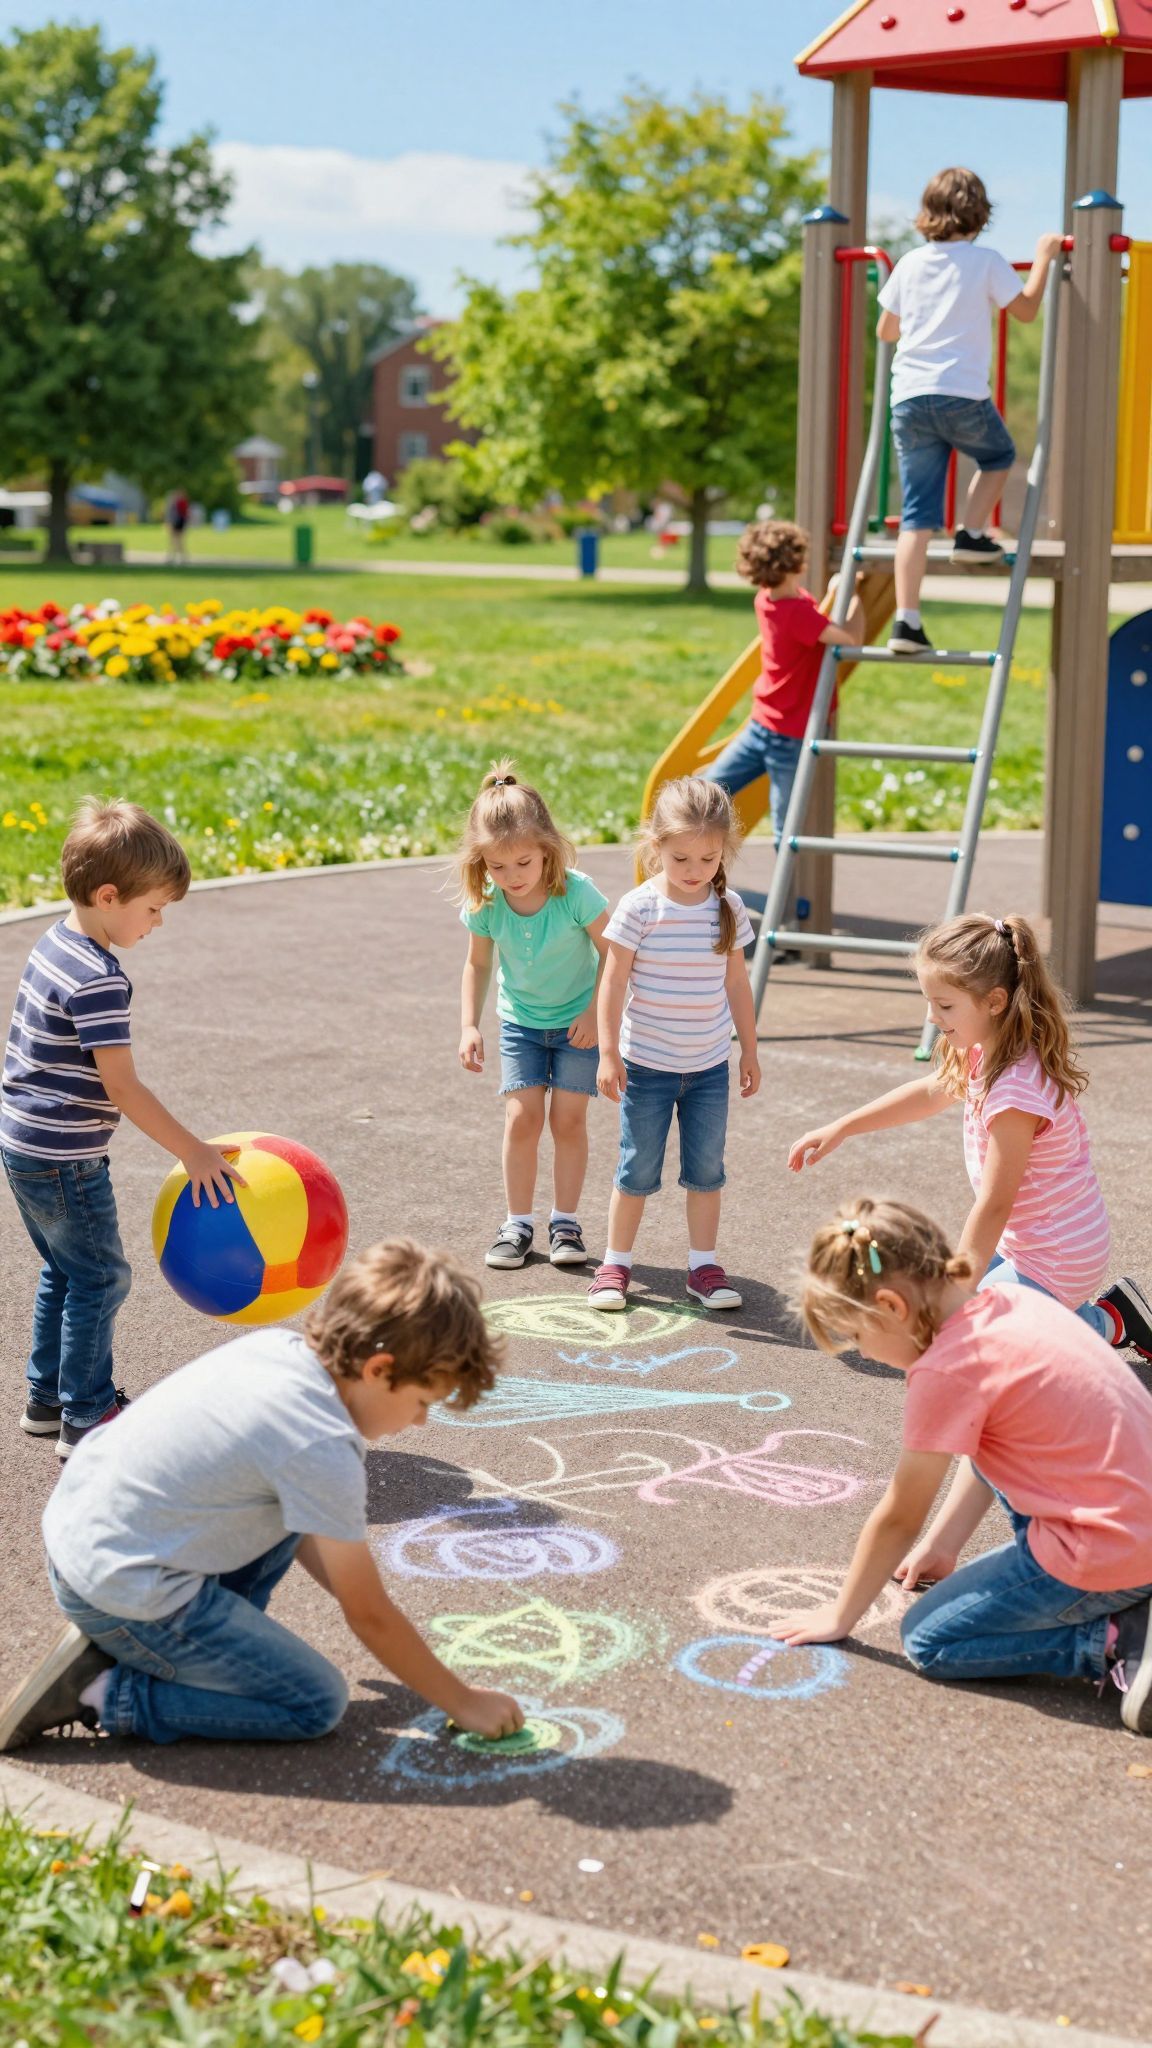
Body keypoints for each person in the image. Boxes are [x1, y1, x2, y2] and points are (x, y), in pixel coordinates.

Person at [0, 1239, 525, 1751]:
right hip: (121, 1586)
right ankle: (106, 1694)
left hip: (85, 1536)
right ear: (379, 1369)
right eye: (421, 1401)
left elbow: (324, 1554)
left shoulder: (279, 1351)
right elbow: (370, 1615)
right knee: (315, 1701)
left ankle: (181, 1655)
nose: (419, 1420)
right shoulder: (319, 1444)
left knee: (287, 1515)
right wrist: (461, 1700)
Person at [769, 1198, 1152, 1736]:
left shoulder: (945, 1370)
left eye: (858, 1336)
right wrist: (945, 1543)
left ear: (892, 1306)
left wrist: (840, 1616)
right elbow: (988, 1448)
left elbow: (900, 1515)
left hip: (1110, 1548)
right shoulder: (1010, 1297)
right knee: (1012, 1442)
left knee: (931, 1639)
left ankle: (1118, 1639)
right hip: (1135, 1515)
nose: (865, 1353)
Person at [788, 911, 1152, 1361]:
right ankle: (1077, 1315)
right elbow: (928, 1092)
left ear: (995, 1001)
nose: (932, 1016)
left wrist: (961, 1284)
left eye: (944, 1005)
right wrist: (841, 1127)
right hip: (1027, 1242)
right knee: (945, 1319)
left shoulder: (1015, 1092)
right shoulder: (984, 1048)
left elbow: (996, 1202)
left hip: (1059, 1254)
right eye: (929, 1001)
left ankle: (1104, 1322)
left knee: (971, 1339)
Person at [1, 800, 241, 1457]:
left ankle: (47, 1399)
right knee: (102, 1279)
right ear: (110, 896)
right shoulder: (99, 979)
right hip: (64, 1156)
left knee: (64, 1271)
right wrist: (192, 1152)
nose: (158, 923)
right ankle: (86, 1414)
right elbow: (123, 1086)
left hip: (21, 1143)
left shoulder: (54, 940)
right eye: (154, 908)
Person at [876, 167, 1064, 655]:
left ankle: (907, 622)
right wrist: (1042, 260)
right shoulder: (985, 261)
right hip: (960, 392)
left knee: (917, 515)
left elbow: (886, 332)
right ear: (978, 214)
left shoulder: (911, 263)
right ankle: (972, 531)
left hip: (909, 397)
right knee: (999, 454)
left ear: (929, 213)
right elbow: (1024, 309)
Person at [589, 777, 760, 1313]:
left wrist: (749, 1050)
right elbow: (613, 982)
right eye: (681, 857)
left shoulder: (727, 906)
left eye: (708, 858)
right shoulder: (640, 907)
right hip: (648, 1068)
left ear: (724, 852)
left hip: (708, 1068)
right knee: (637, 1169)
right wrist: (609, 1052)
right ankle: (615, 1264)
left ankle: (702, 1265)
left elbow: (737, 984)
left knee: (707, 1170)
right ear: (655, 846)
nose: (694, 870)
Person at [457, 760, 610, 1272]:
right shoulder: (488, 903)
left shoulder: (577, 893)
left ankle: (565, 1221)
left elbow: (615, 954)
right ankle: (516, 1223)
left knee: (568, 1122)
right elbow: (478, 964)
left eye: (524, 863)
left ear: (547, 848)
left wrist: (595, 1013)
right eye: (498, 868)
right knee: (521, 1120)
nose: (512, 877)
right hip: (521, 1024)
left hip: (576, 1025)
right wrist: (469, 1025)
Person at [705, 519, 864, 854]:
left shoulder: (767, 600)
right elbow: (850, 638)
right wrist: (853, 594)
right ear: (798, 563)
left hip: (761, 724)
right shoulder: (798, 614)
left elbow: (808, 617)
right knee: (786, 827)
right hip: (790, 735)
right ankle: (785, 900)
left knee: (705, 791)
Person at [166, 489, 190, 565]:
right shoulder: (180, 503)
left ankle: (175, 557)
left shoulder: (179, 503)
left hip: (177, 523)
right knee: (177, 541)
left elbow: (173, 516)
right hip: (178, 523)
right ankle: (178, 557)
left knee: (175, 541)